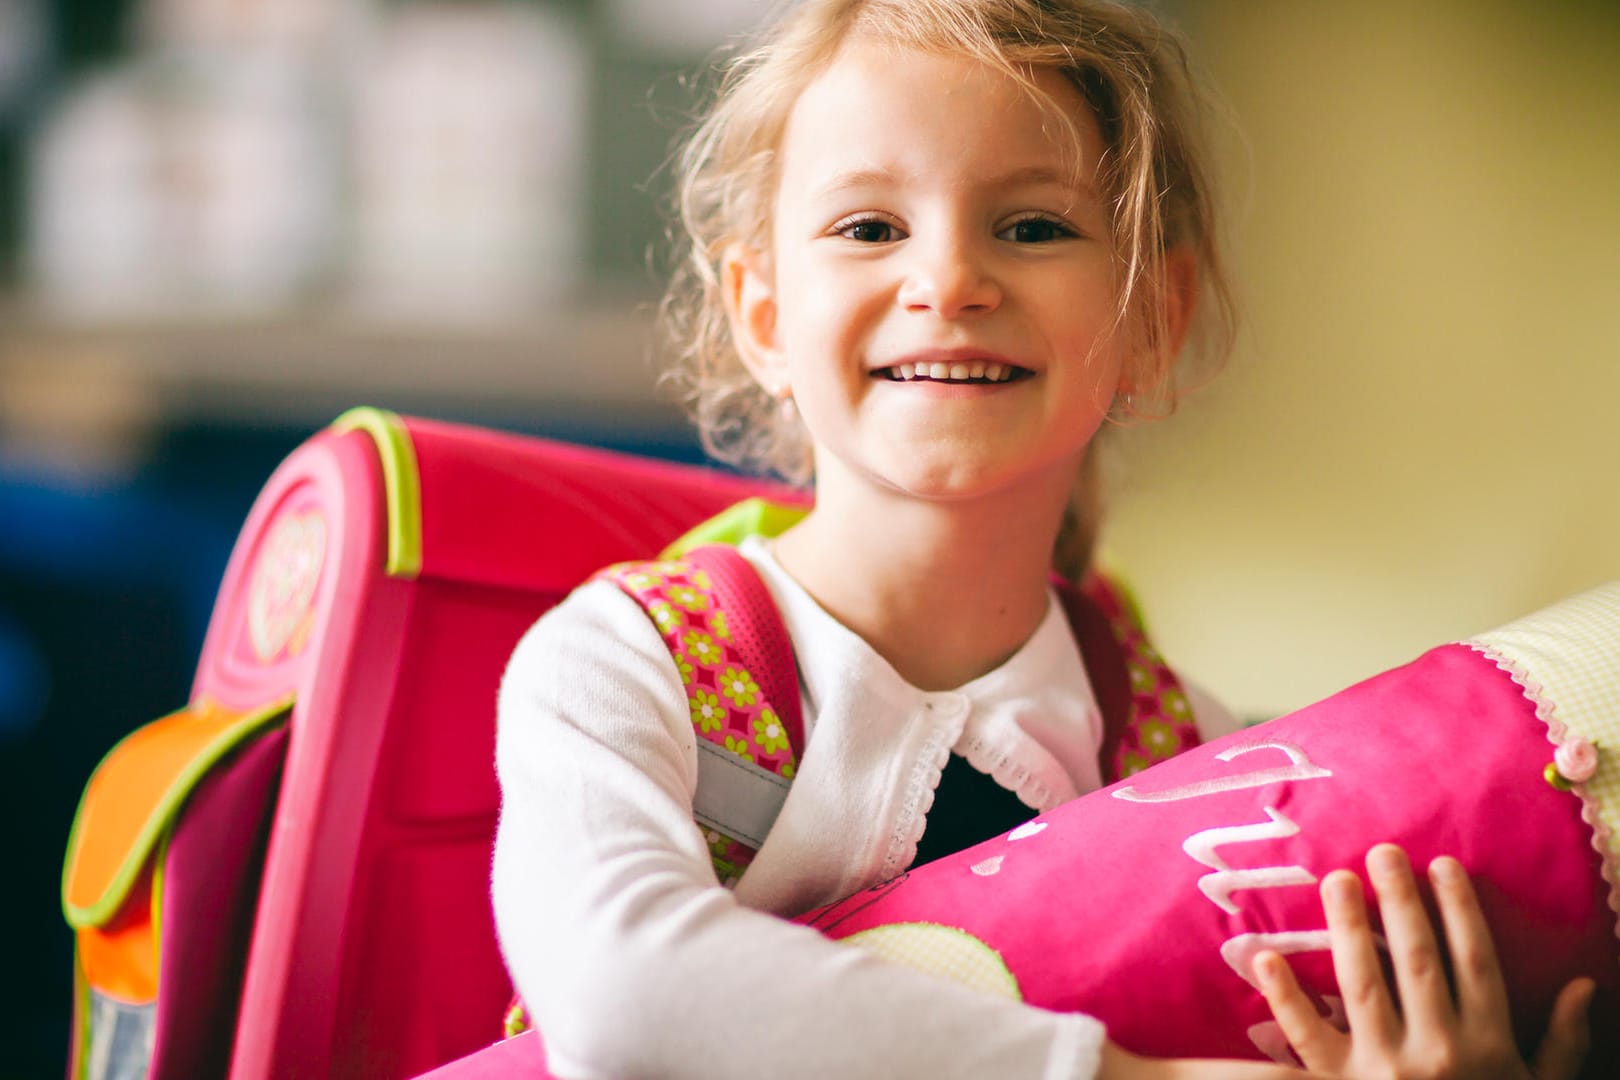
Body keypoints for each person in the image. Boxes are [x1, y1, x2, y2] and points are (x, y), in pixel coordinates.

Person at [490, 2, 1593, 1077]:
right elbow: (623, 993)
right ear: (765, 315)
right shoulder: (627, 667)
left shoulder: (1186, 755)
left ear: (1150, 320)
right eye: (870, 227)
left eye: (1033, 227)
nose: (949, 282)